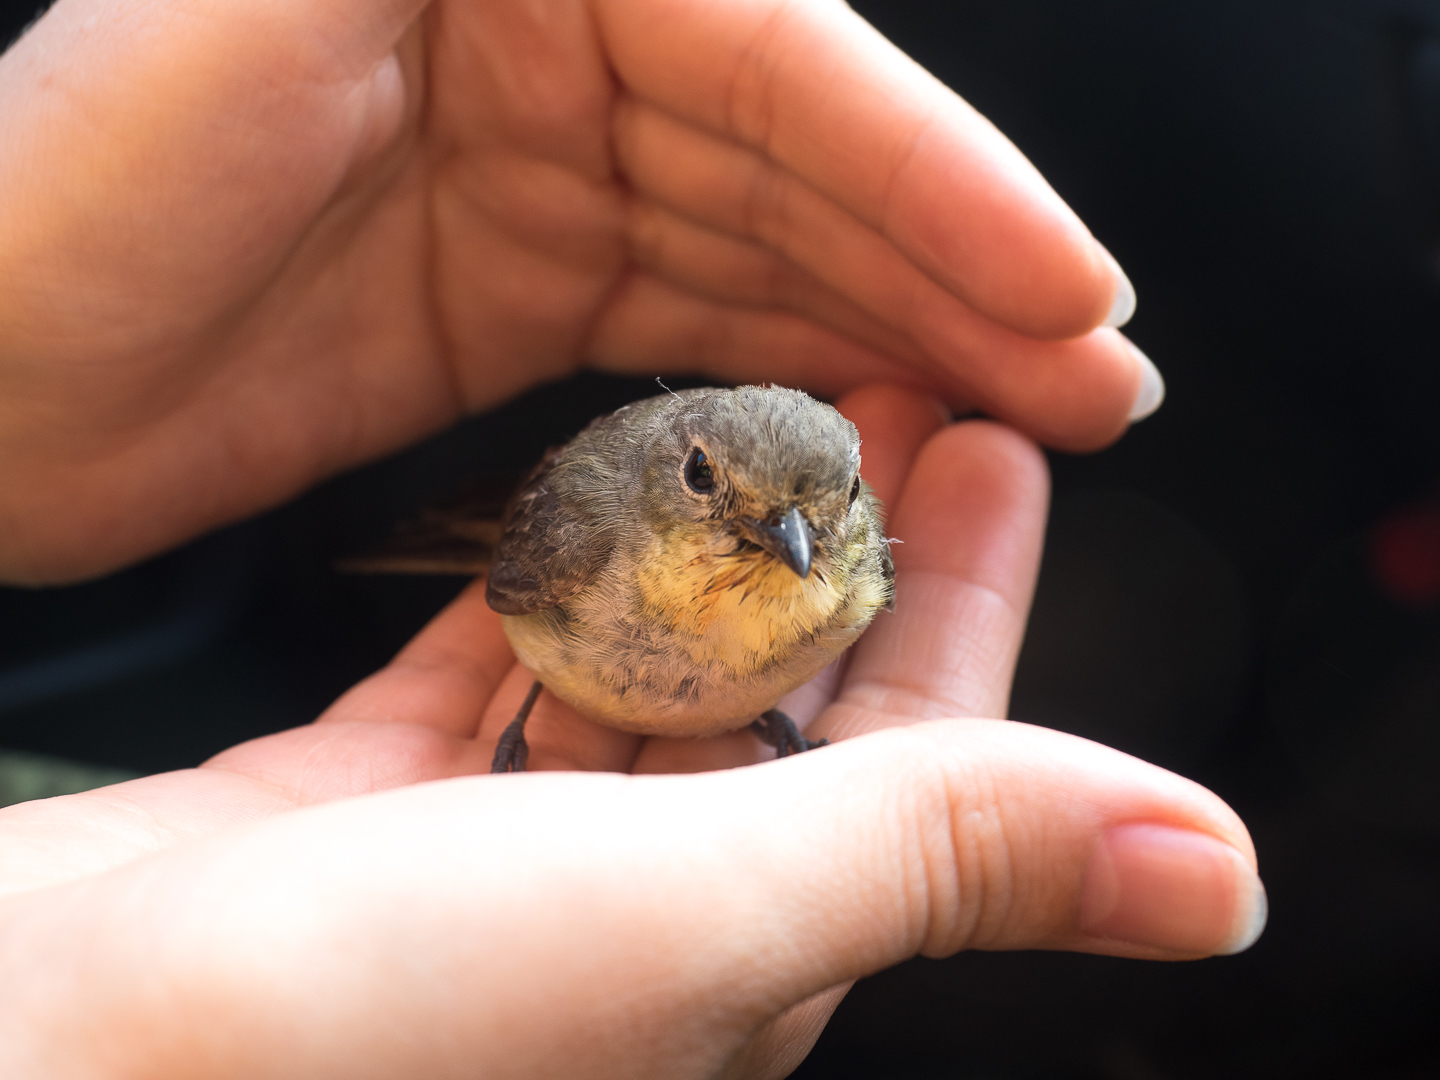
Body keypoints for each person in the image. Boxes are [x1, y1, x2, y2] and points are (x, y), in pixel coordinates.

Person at [0, 0, 1258, 1075]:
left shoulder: (839, 569)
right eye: (726, 493)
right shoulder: (589, 539)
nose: (798, 549)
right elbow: (519, 589)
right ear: (678, 471)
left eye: (822, 522)